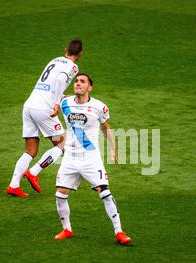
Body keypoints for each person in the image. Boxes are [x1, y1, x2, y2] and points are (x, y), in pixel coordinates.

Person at [53, 73, 132, 244]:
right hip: (70, 158)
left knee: (104, 192)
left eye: (82, 82)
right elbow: (55, 95)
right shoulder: (65, 103)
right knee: (60, 194)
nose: (78, 84)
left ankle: (119, 232)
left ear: (90, 87)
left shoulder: (99, 107)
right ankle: (67, 229)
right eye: (76, 81)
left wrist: (113, 149)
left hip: (90, 158)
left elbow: (106, 127)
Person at [7, 39, 83, 197]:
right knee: (63, 144)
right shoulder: (73, 66)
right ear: (80, 54)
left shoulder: (54, 60)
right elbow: (61, 80)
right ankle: (34, 172)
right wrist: (56, 104)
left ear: (65, 49)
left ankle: (13, 186)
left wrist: (68, 98)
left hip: (29, 105)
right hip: (44, 109)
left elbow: (51, 87)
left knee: (30, 150)